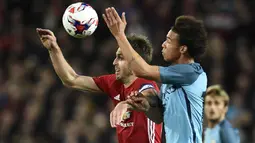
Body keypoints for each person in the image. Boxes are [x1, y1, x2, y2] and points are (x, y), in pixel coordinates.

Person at [36, 28, 162, 143]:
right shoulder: (114, 83)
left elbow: (150, 98)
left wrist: (126, 104)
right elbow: (71, 79)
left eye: (120, 58)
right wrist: (53, 49)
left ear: (135, 61)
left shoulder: (146, 82)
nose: (114, 62)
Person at [103, 7, 208, 143]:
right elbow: (159, 118)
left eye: (169, 41)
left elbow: (142, 70)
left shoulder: (192, 72)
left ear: (183, 49)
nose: (163, 45)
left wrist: (120, 36)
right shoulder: (169, 81)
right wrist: (146, 106)